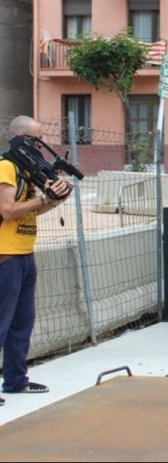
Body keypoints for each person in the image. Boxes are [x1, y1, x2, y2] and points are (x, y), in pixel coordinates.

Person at [0, 116, 71, 405]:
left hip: (25, 253)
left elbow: (28, 213)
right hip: (6, 256)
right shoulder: (6, 166)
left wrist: (53, 199)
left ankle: (16, 381)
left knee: (22, 323)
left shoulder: (26, 170)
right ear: (20, 138)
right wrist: (44, 199)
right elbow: (7, 210)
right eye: (35, 140)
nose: (40, 146)